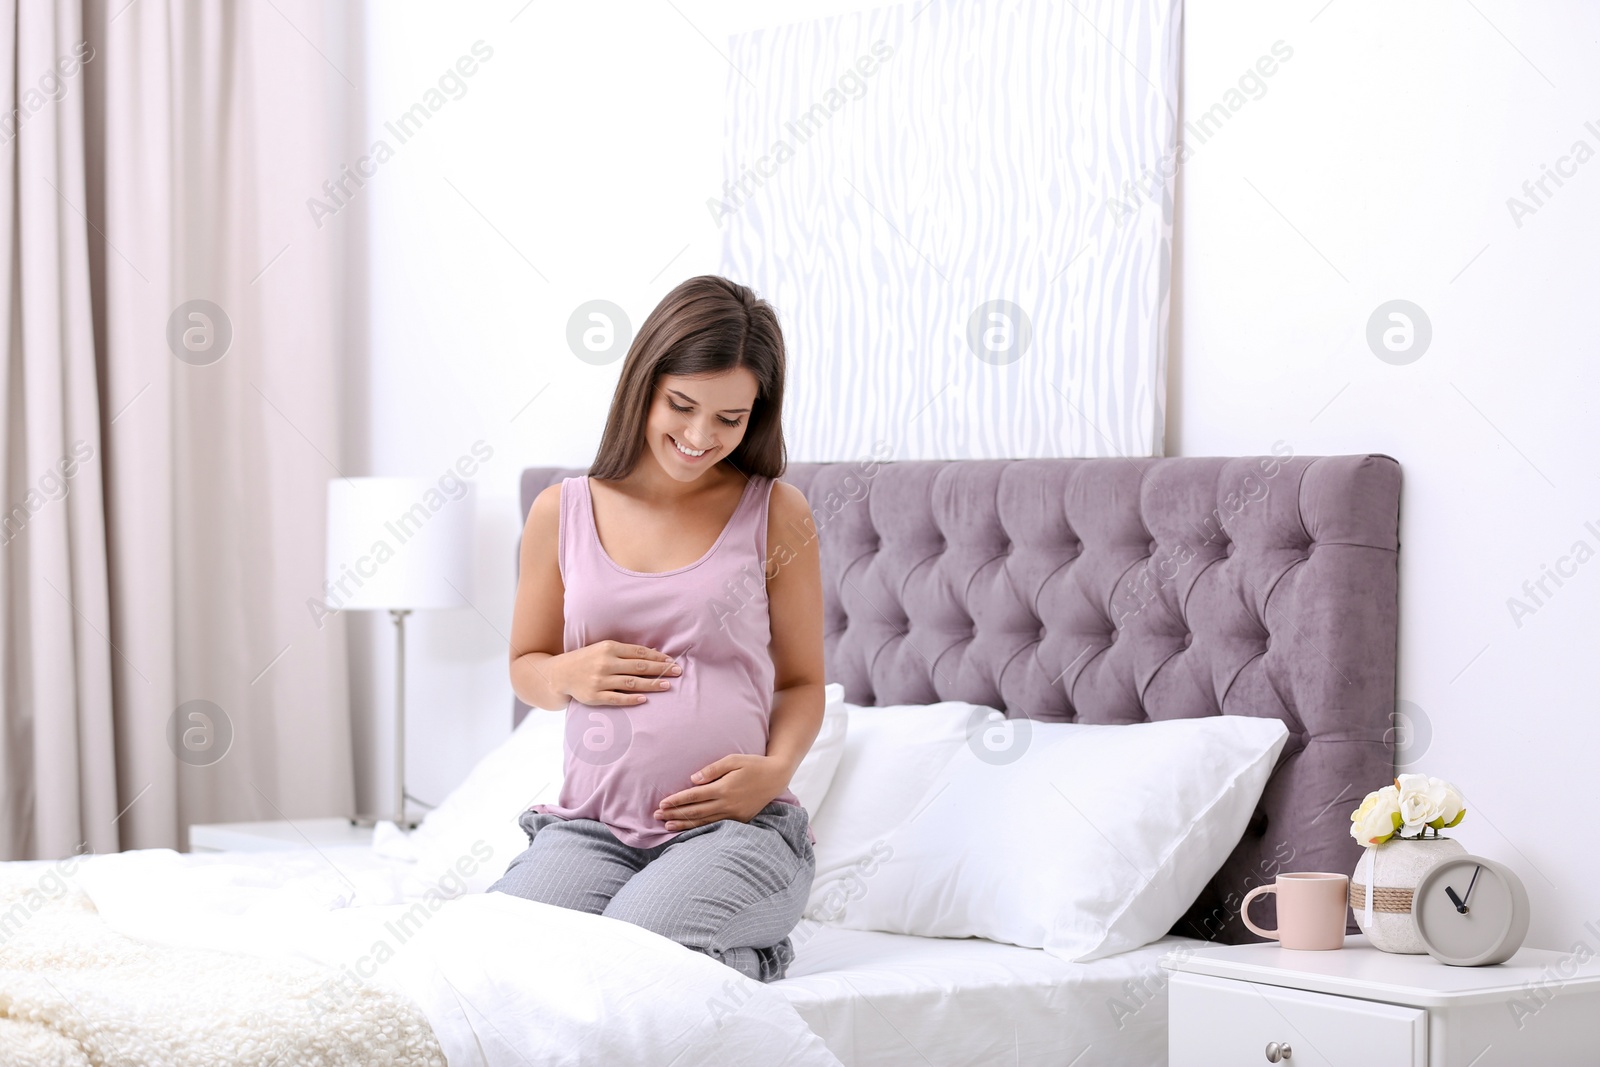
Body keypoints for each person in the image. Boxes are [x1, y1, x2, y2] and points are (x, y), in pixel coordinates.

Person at [489, 275, 825, 983]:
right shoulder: (563, 510)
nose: (701, 436)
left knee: (629, 955)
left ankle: (752, 950)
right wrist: (565, 674)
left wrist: (775, 771)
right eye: (682, 405)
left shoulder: (776, 513)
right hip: (593, 829)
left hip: (738, 831)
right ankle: (722, 955)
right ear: (645, 381)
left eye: (730, 418)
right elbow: (526, 663)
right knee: (496, 956)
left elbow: (800, 681)